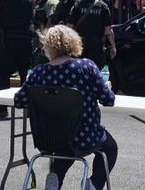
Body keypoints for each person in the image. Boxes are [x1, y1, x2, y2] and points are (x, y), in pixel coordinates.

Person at [14, 25, 117, 190]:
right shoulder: (86, 67)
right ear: (74, 43)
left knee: (65, 146)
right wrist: (107, 87)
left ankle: (55, 176)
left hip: (50, 136)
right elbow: (108, 99)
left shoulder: (39, 72)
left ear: (47, 47)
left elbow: (19, 100)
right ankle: (94, 184)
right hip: (84, 136)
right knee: (110, 147)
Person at [66, 0, 115, 68]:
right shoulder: (103, 6)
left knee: (79, 69)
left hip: (80, 43)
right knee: (94, 70)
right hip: (96, 44)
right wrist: (113, 46)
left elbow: (69, 27)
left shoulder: (78, 5)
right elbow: (108, 31)